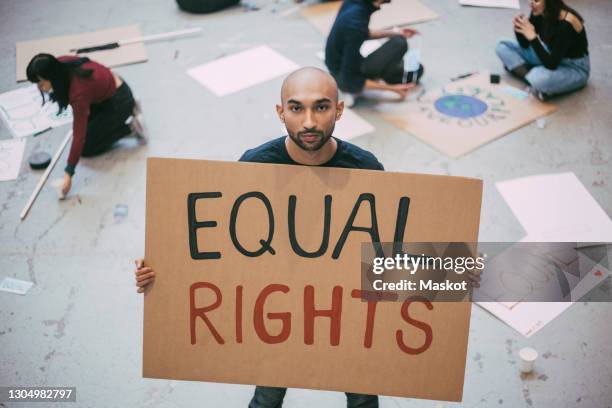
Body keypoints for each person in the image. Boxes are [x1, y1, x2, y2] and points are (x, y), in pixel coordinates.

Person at [133, 67, 481, 408]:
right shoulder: (253, 167)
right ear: (280, 112)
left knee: (362, 396)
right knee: (267, 397)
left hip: (348, 318)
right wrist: (160, 271)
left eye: (321, 107)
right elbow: (223, 255)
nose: (310, 122)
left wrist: (451, 273)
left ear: (339, 110)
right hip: (274, 316)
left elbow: (386, 256)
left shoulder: (365, 169)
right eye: (297, 108)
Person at [26, 54, 146, 196]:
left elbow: (79, 135)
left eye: (41, 83)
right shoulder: (60, 64)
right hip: (108, 90)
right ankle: (128, 109)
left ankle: (130, 127)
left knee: (87, 147)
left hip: (119, 100)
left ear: (52, 76)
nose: (40, 88)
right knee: (90, 128)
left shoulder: (78, 93)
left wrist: (68, 173)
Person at [325, 0, 425, 102]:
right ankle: (361, 85)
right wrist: (394, 89)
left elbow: (362, 32)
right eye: (381, 3)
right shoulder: (355, 23)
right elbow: (349, 80)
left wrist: (396, 32)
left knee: (416, 68)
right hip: (342, 75)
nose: (380, 7)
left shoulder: (354, 4)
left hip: (337, 59)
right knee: (400, 42)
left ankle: (381, 75)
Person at [495, 0, 589, 100]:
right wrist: (519, 30)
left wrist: (533, 38)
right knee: (502, 45)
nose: (531, 3)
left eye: (536, 0)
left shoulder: (566, 24)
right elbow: (525, 44)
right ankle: (534, 78)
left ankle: (526, 72)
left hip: (573, 67)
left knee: (538, 79)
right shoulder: (539, 11)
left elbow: (551, 64)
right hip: (549, 53)